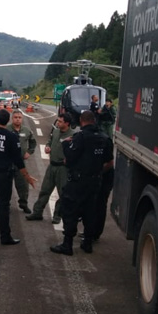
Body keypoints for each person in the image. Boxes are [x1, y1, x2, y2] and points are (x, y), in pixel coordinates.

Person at [50, 110, 113, 256]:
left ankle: (67, 244)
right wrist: (96, 172)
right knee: (90, 212)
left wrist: (66, 145)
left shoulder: (80, 137)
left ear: (81, 120)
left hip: (78, 181)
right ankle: (87, 243)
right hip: (95, 181)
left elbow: (69, 159)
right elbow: (109, 162)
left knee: (70, 210)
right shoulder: (105, 138)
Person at [0, 109, 37, 245]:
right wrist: (26, 176)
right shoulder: (11, 137)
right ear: (8, 120)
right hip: (4, 175)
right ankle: (5, 236)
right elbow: (18, 160)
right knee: (3, 206)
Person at [26, 112, 74, 223]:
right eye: (58, 120)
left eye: (60, 121)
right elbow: (50, 141)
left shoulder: (73, 135)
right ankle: (37, 212)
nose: (57, 122)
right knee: (45, 190)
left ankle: (57, 216)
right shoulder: (56, 131)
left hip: (63, 168)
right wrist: (47, 146)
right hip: (52, 165)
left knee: (63, 193)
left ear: (67, 123)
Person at [9, 109, 37, 213]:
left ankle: (23, 204)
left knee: (23, 185)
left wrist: (29, 152)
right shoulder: (7, 129)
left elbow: (33, 143)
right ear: (12, 119)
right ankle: (5, 204)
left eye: (19, 118)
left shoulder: (26, 131)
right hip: (8, 162)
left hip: (20, 164)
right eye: (15, 117)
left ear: (22, 118)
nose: (17, 119)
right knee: (6, 185)